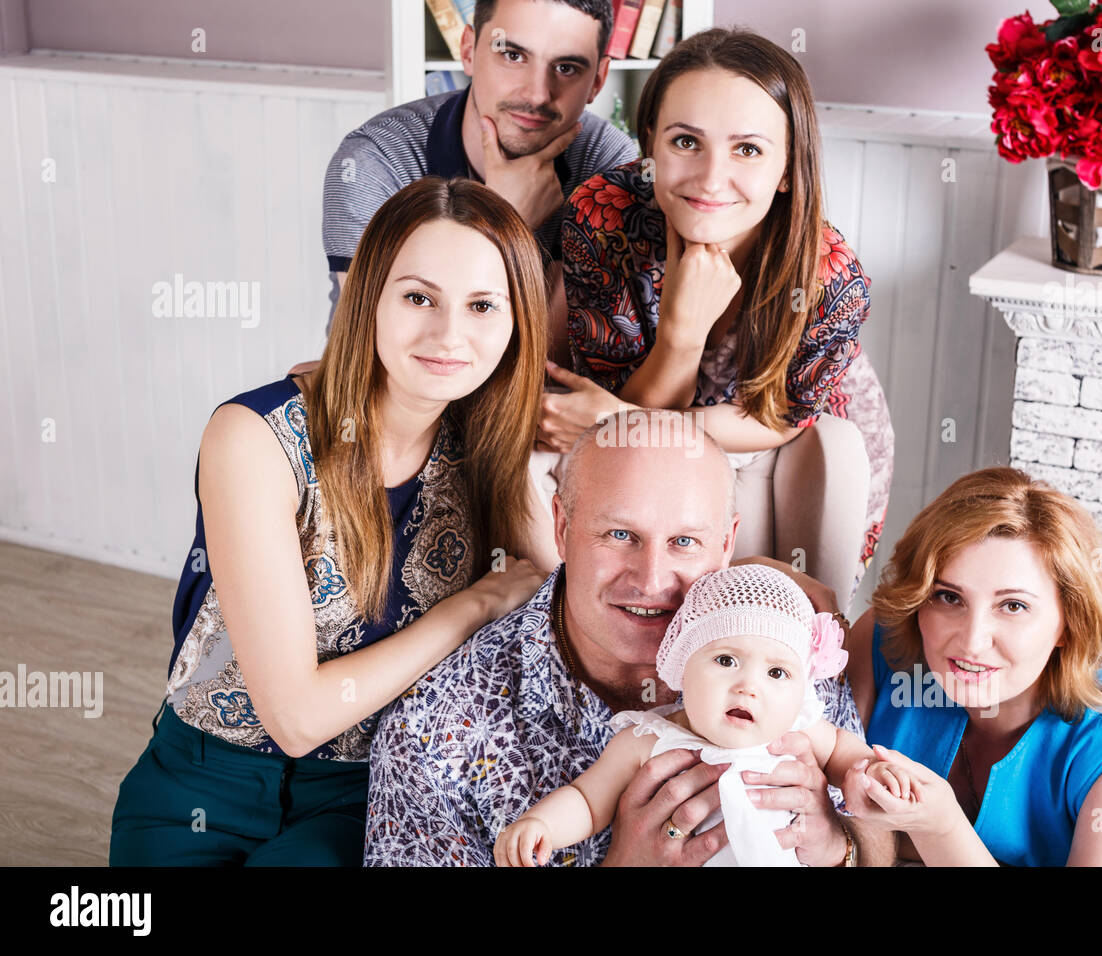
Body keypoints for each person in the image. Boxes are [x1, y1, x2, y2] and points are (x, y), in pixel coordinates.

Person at [109, 178, 549, 866]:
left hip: (364, 790)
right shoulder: (252, 437)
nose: (448, 335)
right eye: (417, 297)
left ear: (517, 321)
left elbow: (559, 600)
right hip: (201, 778)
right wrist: (476, 605)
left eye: (483, 306)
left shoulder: (491, 446)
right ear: (364, 296)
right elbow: (296, 718)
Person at [364, 410, 895, 867]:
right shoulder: (435, 729)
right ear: (563, 527)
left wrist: (836, 847)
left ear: (727, 543)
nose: (652, 580)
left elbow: (878, 840)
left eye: (685, 541)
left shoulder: (778, 655)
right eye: (620, 535)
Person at [535, 28, 894, 608]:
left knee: (839, 449)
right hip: (654, 411)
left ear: (785, 168)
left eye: (747, 149)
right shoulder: (603, 218)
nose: (709, 177)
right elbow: (628, 421)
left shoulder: (830, 275)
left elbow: (780, 419)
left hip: (776, 426)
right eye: (685, 142)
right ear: (649, 144)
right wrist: (680, 333)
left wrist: (624, 417)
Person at [840, 467, 1102, 866]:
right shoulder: (883, 643)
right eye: (949, 597)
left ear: (1068, 623)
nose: (972, 641)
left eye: (1013, 606)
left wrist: (941, 828)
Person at [494, 564, 906, 867]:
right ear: (683, 665)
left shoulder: (799, 731)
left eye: (777, 672)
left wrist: (870, 772)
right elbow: (586, 800)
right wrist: (541, 825)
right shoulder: (648, 740)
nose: (749, 686)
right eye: (726, 660)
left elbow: (845, 753)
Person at [322, 0, 638, 351]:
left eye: (566, 67)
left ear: (598, 80)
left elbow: (555, 362)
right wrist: (507, 216)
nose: (537, 94)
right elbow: (374, 352)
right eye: (513, 56)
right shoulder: (377, 158)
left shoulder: (608, 163)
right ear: (469, 50)